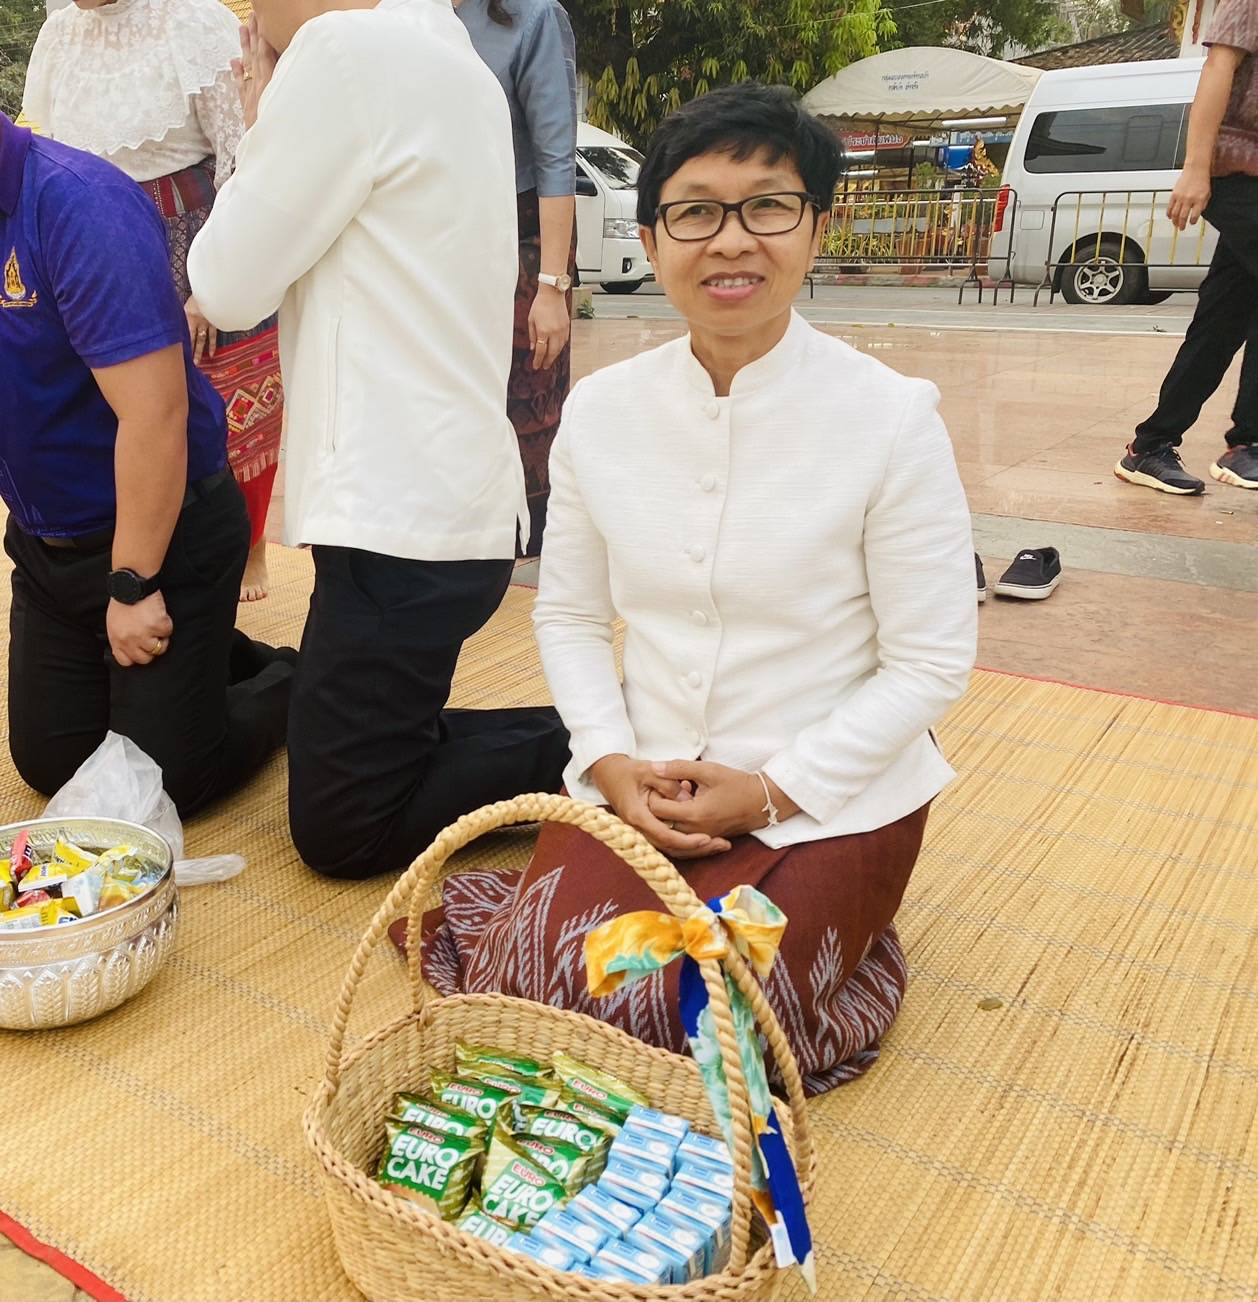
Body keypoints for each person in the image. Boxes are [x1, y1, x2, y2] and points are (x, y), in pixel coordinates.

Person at [419, 84, 978, 1095]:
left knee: (700, 1023)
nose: (731, 241)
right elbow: (575, 615)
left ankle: (853, 941)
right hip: (652, 777)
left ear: (816, 228)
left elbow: (931, 662)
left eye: (767, 206)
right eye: (695, 210)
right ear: (650, 234)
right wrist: (610, 760)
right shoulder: (604, 413)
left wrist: (773, 787)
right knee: (548, 985)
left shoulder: (889, 419)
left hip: (832, 795)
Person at [188, 0, 570, 880]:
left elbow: (227, 284)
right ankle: (591, 734)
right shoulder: (456, 59)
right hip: (437, 502)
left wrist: (257, 121)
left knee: (343, 831)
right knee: (360, 745)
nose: (249, 16)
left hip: (399, 525)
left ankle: (595, 749)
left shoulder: (346, 51)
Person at [0, 112, 294, 814]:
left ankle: (293, 680)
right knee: (52, 762)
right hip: (49, 549)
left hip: (165, 534)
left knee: (162, 783)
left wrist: (132, 586)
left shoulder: (76, 203)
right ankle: (214, 655)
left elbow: (156, 416)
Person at [23, 0, 285, 600]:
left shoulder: (196, 20)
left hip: (190, 232)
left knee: (224, 401)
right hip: (90, 244)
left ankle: (248, 550)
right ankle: (138, 555)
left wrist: (208, 286)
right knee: (116, 406)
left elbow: (242, 154)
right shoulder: (59, 33)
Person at [1116, 0, 1258, 495]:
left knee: (1224, 318)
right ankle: (1249, 443)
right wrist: (1196, 168)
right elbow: (1219, 67)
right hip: (1240, 169)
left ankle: (1149, 446)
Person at [454, 0, 578, 555]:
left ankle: (527, 550)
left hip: (524, 236)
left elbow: (556, 161)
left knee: (527, 399)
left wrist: (551, 287)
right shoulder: (400, 15)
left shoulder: (532, 17)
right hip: (440, 238)